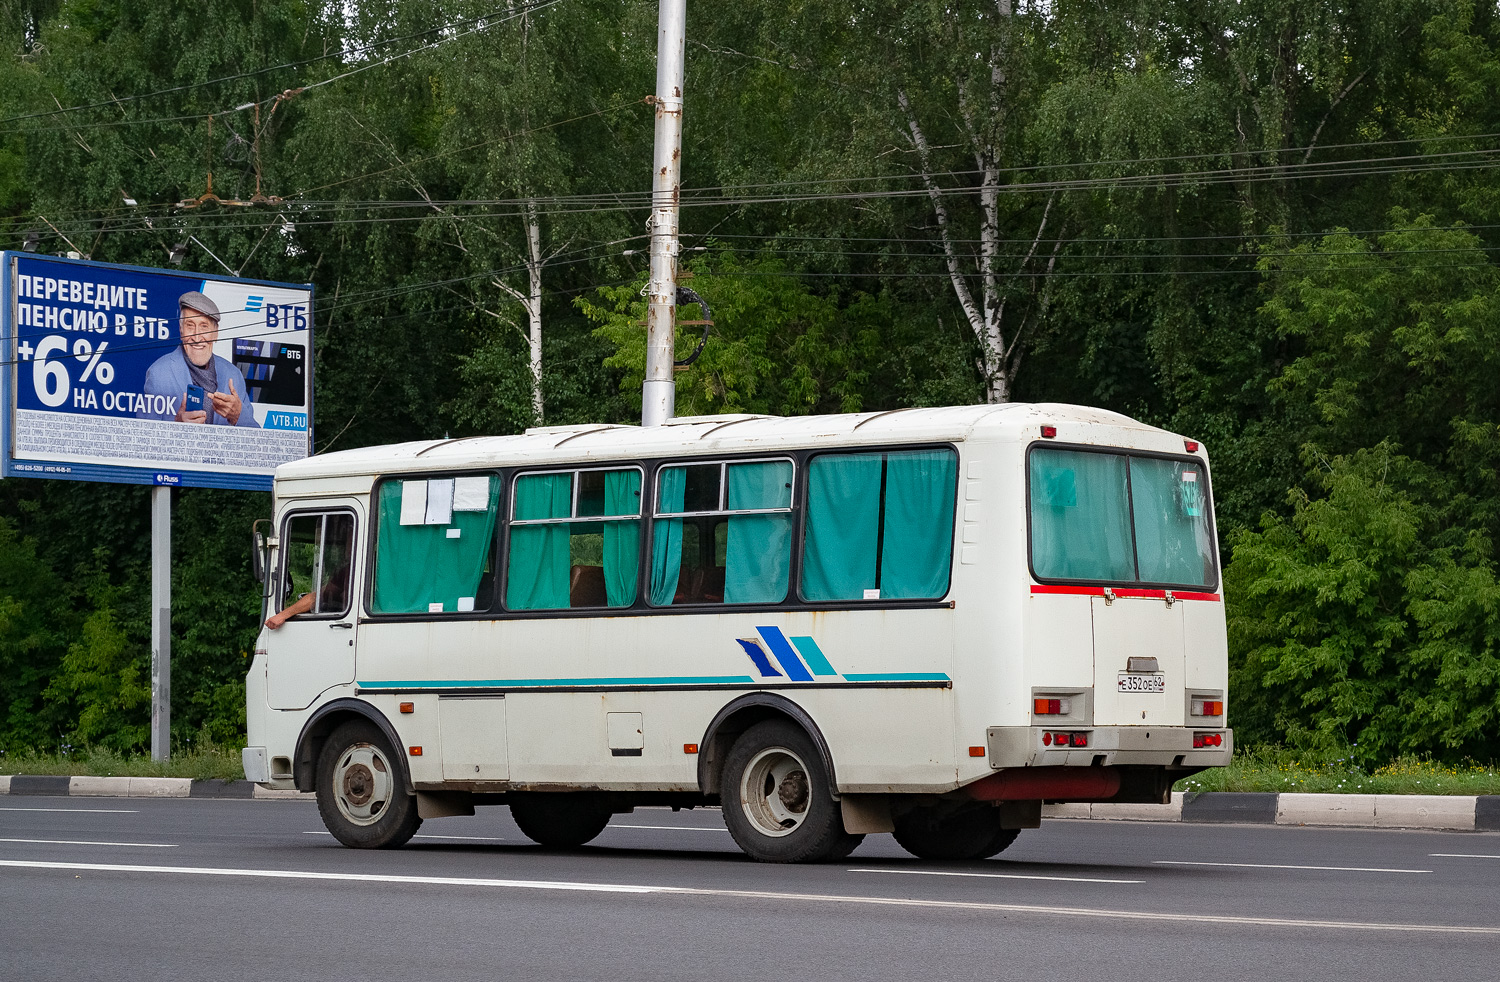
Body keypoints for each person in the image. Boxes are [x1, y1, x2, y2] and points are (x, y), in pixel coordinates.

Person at [139, 291, 260, 427]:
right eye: (190, 325)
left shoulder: (233, 375)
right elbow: (144, 435)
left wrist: (238, 415)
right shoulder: (159, 373)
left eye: (204, 326)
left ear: (215, 333)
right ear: (181, 330)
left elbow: (255, 440)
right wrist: (175, 426)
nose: (197, 338)